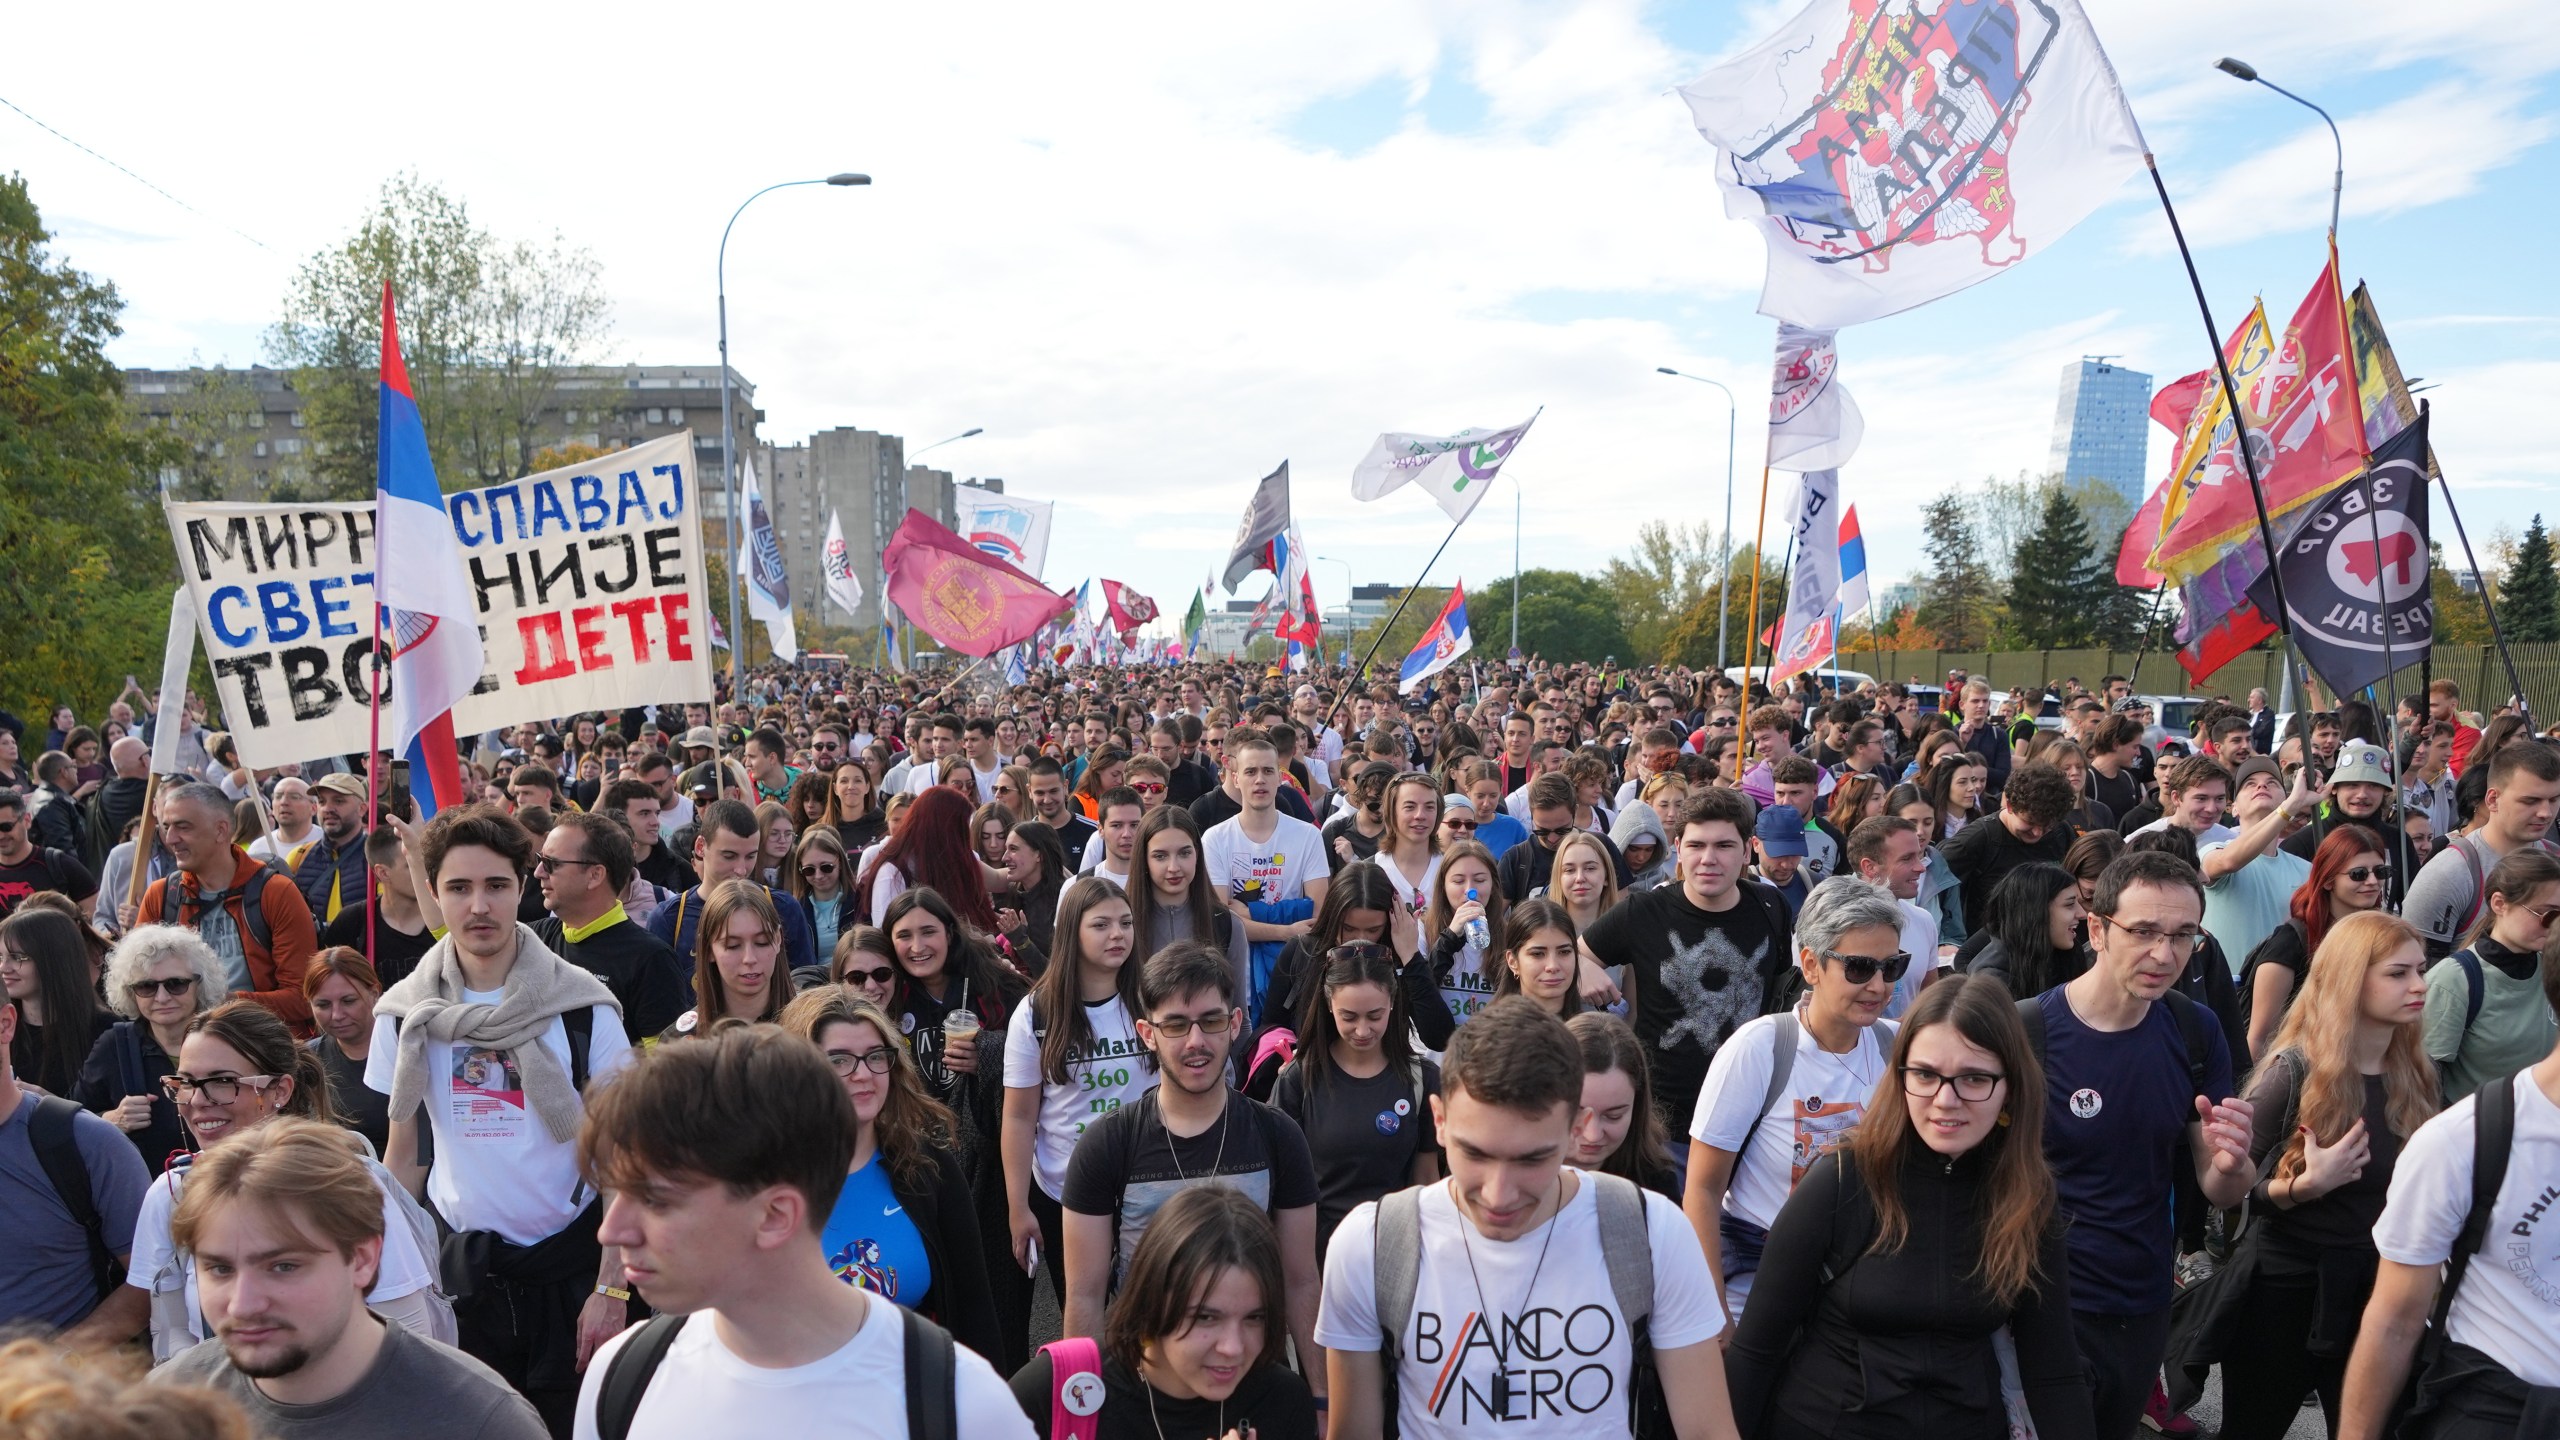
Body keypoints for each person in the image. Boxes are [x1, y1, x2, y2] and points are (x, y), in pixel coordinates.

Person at [571, 1025, 1030, 1440]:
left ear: (775, 1215)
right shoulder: (622, 1379)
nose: (612, 1230)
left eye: (656, 1200)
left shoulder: (960, 1401)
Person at [1314, 997, 1736, 1440]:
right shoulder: (1372, 1244)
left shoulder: (1654, 1233)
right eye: (1474, 1154)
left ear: (1575, 1127)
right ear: (1438, 1120)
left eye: (1532, 1159)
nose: (1499, 1194)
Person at [1725, 973, 2093, 1440]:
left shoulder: (2026, 1196)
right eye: (1924, 1075)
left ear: (2010, 1088)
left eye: (1974, 1078)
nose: (1945, 1101)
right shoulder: (1842, 1180)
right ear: (1899, 1077)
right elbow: (1757, 1350)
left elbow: (2053, 1369)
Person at [368, 805, 635, 1438]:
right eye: (459, 888)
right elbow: (400, 1159)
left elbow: (624, 1161)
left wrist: (613, 1290)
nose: (479, 905)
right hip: (460, 1278)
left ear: (522, 886)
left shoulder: (582, 1008)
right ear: (435, 894)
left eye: (496, 885)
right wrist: (377, 1281)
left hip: (570, 1272)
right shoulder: (406, 1016)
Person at [2165, 911, 2436, 1440]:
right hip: (2283, 1290)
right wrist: (2304, 1187)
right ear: (2352, 979)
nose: (2419, 985)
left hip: (2379, 1290)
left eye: (2420, 970)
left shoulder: (2419, 1073)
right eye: (2398, 973)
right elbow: (2233, 1201)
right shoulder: (2294, 1070)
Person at [2033, 850, 2255, 1440]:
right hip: (2040, 1302)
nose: (2165, 954)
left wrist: (2235, 1163)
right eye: (2145, 932)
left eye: (2183, 935)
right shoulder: (2028, 1031)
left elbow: (2220, 1183)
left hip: (2141, 1299)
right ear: (2098, 928)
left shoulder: (2194, 1029)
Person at [139, 1117, 540, 1439]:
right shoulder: (166, 1410)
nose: (243, 1304)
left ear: (363, 1258)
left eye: (283, 1267)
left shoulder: (479, 1420)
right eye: (220, 1269)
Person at [1060, 941, 1322, 1400]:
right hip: (1142, 1383)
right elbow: (1085, 1295)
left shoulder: (1278, 1136)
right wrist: (1082, 1403)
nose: (1196, 1041)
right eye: (1176, 1025)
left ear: (1235, 1023)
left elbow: (1302, 1281)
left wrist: (1321, 1399)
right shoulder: (1107, 1145)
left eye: (1212, 1021)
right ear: (1147, 1032)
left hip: (1251, 1377)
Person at [126, 999, 450, 1360]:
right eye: (185, 1082)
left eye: (222, 1082)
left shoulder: (347, 1185)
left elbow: (408, 1336)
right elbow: (170, 1334)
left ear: (279, 1090)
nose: (197, 1101)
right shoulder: (171, 1194)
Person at [2337, 938, 2559, 1440]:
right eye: (2399, 973)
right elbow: (2394, 1319)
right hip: (2503, 1410)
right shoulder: (2463, 1140)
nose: (2419, 986)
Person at [1683, 877, 1906, 1323]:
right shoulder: (1760, 1048)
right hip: (1760, 1291)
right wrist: (1714, 1312)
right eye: (1860, 968)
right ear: (1811, 965)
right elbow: (1703, 1191)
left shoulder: (1899, 1046)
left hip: (1863, 1291)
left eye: (1892, 967)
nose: (1879, 986)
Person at [1578, 788, 1796, 1183]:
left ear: (1747, 851)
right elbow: (1569, 954)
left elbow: (1781, 995)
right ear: (1678, 847)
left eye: (1724, 845)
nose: (1708, 858)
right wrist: (1582, 965)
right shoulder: (1644, 911)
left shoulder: (1771, 907)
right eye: (1696, 845)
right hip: (1663, 1126)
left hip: (1748, 1118)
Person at [775, 986, 1001, 1362]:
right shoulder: (761, 1186)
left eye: (875, 1056)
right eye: (839, 1061)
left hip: (915, 1398)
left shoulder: (930, 1169)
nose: (862, 1074)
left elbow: (975, 1309)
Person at [1010, 1186, 1318, 1440]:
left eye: (1255, 1318)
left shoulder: (1283, 1402)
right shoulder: (1049, 1392)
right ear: (1152, 1297)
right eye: (1206, 1317)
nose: (1233, 1347)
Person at [1003, 877, 1154, 1305]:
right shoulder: (1036, 1011)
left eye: (1125, 923)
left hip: (1148, 1185)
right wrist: (1018, 1208)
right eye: (1102, 925)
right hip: (1064, 1192)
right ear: (1073, 931)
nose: (1118, 934)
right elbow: (1018, 1117)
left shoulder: (1153, 997)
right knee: (1084, 1312)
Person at [0, 967, 153, 1340]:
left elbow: (151, 1282)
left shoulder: (84, 1143)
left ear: (5, 1024)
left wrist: (53, 1367)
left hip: (51, 1392)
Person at [1271, 942, 1442, 1258]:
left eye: (1374, 1015)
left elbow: (1427, 1180)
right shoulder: (1298, 1078)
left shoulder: (1422, 1078)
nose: (1362, 1030)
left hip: (1395, 1252)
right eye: (1348, 1016)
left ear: (1392, 1002)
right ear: (1329, 1004)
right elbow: (1282, 1188)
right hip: (1320, 1256)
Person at [136, 783, 317, 1034]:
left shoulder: (276, 892)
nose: (170, 839)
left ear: (221, 830)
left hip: (261, 1047)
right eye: (167, 827)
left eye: (183, 826)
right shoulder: (161, 895)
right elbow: (139, 983)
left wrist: (226, 1004)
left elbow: (304, 999)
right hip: (183, 1049)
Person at [79, 925, 232, 1176]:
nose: (162, 997)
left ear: (199, 984)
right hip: (148, 1195)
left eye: (176, 984)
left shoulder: (231, 1039)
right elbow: (75, 1122)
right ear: (131, 992)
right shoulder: (114, 1047)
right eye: (146, 986)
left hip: (225, 1184)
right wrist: (111, 1119)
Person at [1202, 732, 1329, 1022]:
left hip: (1295, 979)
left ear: (1279, 778)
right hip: (1236, 981)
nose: (1259, 779)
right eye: (1250, 771)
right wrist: (1287, 929)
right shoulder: (1215, 839)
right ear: (1235, 778)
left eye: (1268, 771)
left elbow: (1318, 915)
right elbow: (1222, 922)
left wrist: (1251, 917)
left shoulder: (1308, 836)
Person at [528, 812, 687, 1042]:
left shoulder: (651, 960)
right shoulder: (532, 938)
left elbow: (665, 1067)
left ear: (595, 875)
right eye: (539, 859)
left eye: (551, 864)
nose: (538, 872)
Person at [2240, 824, 2391, 1060]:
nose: (2372, 881)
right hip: (2295, 1073)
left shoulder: (2380, 935)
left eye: (2380, 872)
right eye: (2358, 874)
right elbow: (2259, 1037)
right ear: (2329, 880)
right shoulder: (2291, 941)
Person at [2403, 738, 2560, 960]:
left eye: (2554, 799)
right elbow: (2418, 970)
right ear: (2493, 799)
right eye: (2530, 801)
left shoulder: (2555, 860)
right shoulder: (2450, 872)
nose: (2546, 812)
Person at [2423, 848, 2560, 1103]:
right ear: (2499, 904)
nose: (2555, 925)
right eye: (2548, 914)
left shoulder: (2549, 966)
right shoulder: (2454, 979)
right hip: (2482, 1132)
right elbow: (2424, 1082)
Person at [642, 799, 818, 987]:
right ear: (701, 847)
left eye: (751, 856)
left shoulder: (782, 907)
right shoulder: (669, 918)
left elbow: (805, 984)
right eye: (729, 856)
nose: (741, 870)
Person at [2199, 758, 2322, 969]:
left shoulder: (2306, 870)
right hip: (2225, 994)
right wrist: (2290, 807)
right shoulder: (2212, 851)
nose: (2262, 786)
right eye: (2250, 783)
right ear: (2233, 808)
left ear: (2285, 796)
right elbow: (2228, 862)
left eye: (2272, 782)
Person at [1940, 760, 2077, 934]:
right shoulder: (1978, 839)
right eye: (2030, 822)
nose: (2037, 833)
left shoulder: (2061, 833)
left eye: (2047, 826)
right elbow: (1935, 887)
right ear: (2010, 806)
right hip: (1989, 945)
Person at [1123, 806, 1245, 998]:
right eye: (1160, 856)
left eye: (1184, 853)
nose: (1174, 867)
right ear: (1144, 858)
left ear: (1197, 853)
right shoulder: (1122, 924)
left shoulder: (1227, 924)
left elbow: (1238, 1015)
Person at [3, 904, 115, 1097]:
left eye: (18, 957)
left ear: (55, 959)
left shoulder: (108, 1032)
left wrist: (50, 1105)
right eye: (0, 957)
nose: (4, 968)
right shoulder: (4, 1026)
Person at [1566, 1010, 1679, 1201]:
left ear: (1637, 1108)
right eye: (1577, 1113)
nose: (1592, 1135)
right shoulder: (1513, 1173)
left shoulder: (1656, 1184)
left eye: (1613, 1116)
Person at [664, 879, 791, 1039]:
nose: (749, 958)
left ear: (778, 940)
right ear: (708, 948)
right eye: (733, 946)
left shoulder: (811, 1025)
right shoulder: (681, 1040)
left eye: (762, 942)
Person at [318, 827, 437, 988]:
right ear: (383, 873)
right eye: (411, 864)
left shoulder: (443, 919)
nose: (425, 872)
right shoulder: (353, 923)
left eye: (425, 862)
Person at [302, 949, 390, 1156]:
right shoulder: (307, 1061)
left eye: (348, 1001)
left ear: (374, 993)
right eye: (323, 1005)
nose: (337, 1015)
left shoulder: (408, 1050)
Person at [1960, 862, 2090, 1000]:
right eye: (2069, 904)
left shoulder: (2068, 954)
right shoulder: (1991, 981)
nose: (2083, 913)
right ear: (2034, 912)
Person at [283, 774, 372, 928]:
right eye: (322, 801)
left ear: (362, 809)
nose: (328, 808)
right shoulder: (299, 856)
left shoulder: (376, 858)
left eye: (339, 801)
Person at [0, 786, 100, 922]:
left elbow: (98, 920)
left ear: (27, 821)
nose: (1, 836)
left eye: (6, 827)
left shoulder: (61, 866)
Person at [992, 819, 1070, 975]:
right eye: (1006, 849)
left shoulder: (1064, 900)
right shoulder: (1013, 894)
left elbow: (1058, 976)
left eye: (1013, 849)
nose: (1004, 858)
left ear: (1038, 855)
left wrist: (1020, 941)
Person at [1488, 898, 1583, 1018]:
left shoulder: (1590, 1031)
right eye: (1537, 954)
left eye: (1564, 952)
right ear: (1512, 962)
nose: (1552, 966)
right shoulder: (1490, 1033)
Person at [790, 826, 854, 962]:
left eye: (826, 867)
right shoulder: (794, 909)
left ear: (841, 862)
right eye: (809, 870)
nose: (818, 876)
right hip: (810, 981)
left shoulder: (860, 901)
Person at [831, 924, 900, 1012]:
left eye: (882, 974)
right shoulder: (822, 1023)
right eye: (856, 977)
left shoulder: (918, 1013)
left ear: (896, 975)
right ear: (839, 982)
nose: (870, 986)